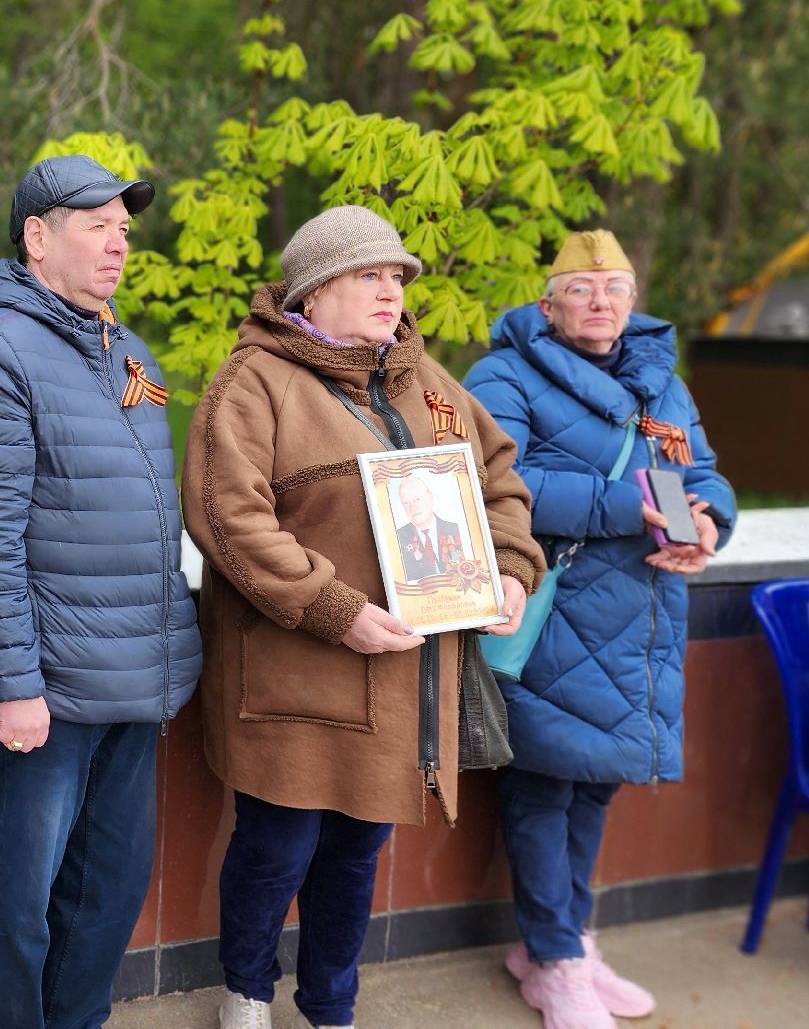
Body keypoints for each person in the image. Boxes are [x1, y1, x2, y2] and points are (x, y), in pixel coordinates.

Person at [182, 205, 543, 1029]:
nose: (391, 292)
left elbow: (498, 481)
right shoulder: (253, 382)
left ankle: (330, 1007)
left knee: (354, 855)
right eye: (368, 276)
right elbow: (227, 518)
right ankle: (247, 994)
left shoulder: (428, 380)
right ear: (313, 291)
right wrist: (332, 607)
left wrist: (510, 568)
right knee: (276, 851)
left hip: (397, 679)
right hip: (294, 676)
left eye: (397, 277)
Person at [0, 154, 204, 1029]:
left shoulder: (127, 350)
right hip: (49, 688)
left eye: (124, 228)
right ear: (37, 237)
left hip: (135, 677)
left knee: (107, 892)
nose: (119, 243)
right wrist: (15, 686)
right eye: (97, 226)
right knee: (19, 902)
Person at [464, 230, 734, 1029]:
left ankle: (568, 944)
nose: (600, 301)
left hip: (642, 618)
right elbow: (495, 482)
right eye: (580, 289)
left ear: (633, 300)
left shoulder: (663, 383)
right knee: (545, 783)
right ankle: (554, 962)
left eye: (615, 287)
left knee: (594, 785)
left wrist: (709, 521)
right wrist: (635, 507)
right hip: (553, 608)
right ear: (547, 305)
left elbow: (701, 473)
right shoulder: (504, 374)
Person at [393, 476, 464, 581]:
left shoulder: (457, 530)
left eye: (417, 499)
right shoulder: (396, 539)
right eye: (406, 503)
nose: (413, 507)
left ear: (430, 497)